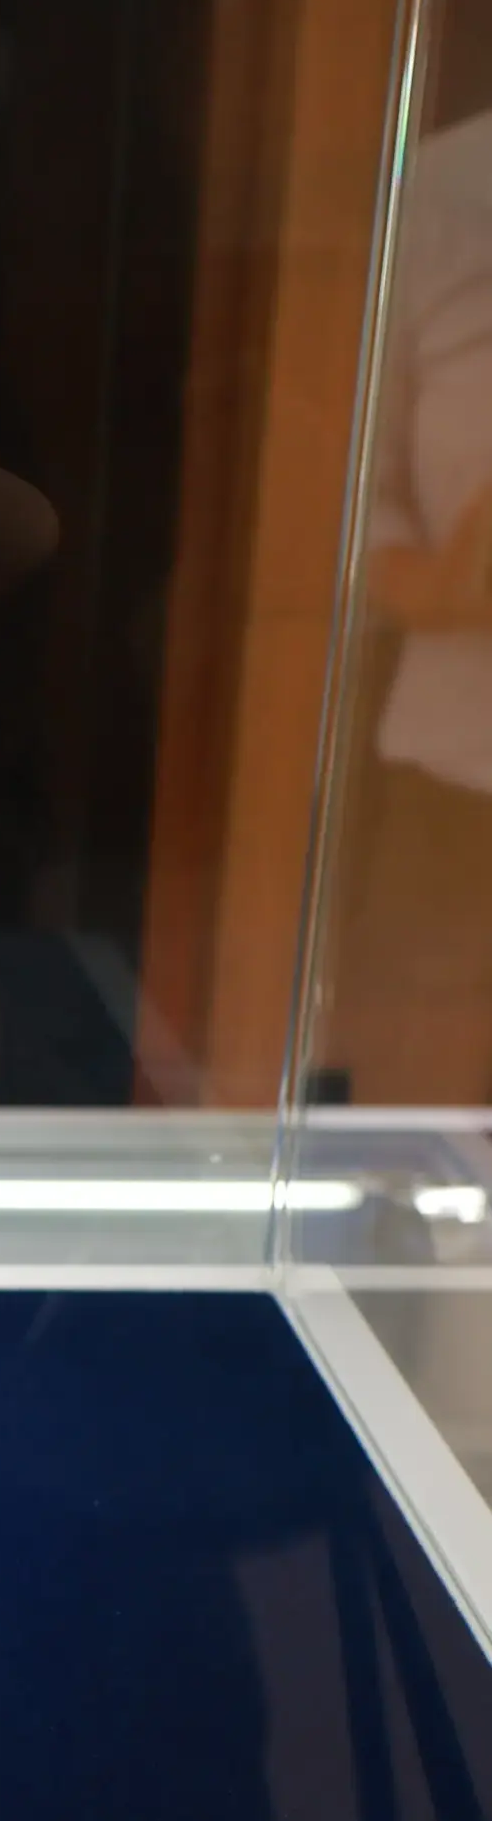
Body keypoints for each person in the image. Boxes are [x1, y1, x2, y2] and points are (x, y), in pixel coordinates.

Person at [340, 105, 492, 1101]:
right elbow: (340, 468)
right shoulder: (441, 190)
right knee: (418, 1096)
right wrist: (425, 588)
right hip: (461, 776)